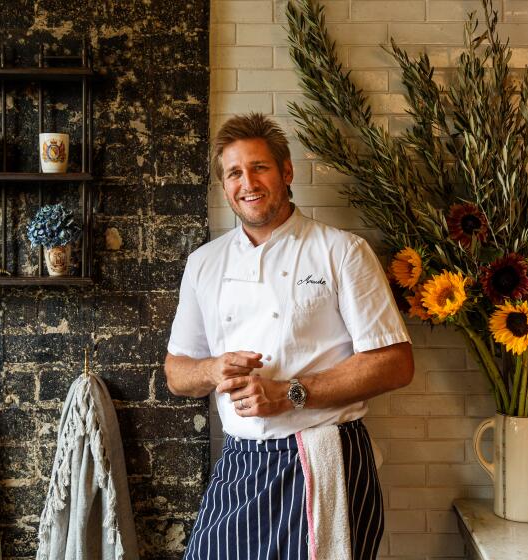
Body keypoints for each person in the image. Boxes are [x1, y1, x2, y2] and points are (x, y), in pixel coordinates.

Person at [165, 113, 414, 559]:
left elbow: (395, 363)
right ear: (224, 185)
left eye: (259, 167)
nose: (248, 182)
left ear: (287, 171)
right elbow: (177, 373)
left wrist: (289, 393)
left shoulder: (342, 251)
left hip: (325, 455)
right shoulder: (204, 263)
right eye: (234, 173)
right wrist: (211, 368)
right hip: (242, 459)